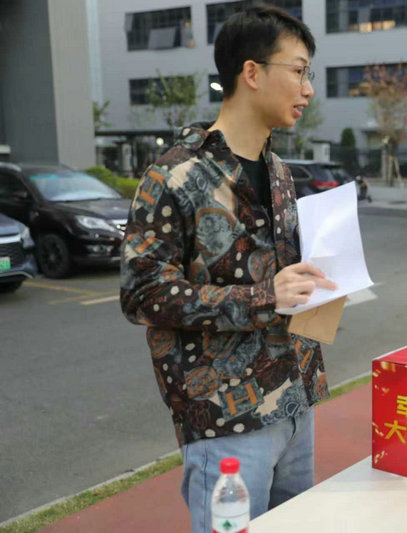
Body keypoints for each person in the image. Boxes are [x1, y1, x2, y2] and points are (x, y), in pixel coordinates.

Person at [120, 5, 336, 530]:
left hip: (296, 400)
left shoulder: (280, 172)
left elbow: (284, 277)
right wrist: (265, 297)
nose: (308, 89)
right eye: (299, 70)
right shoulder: (174, 175)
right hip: (226, 419)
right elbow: (141, 293)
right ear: (252, 72)